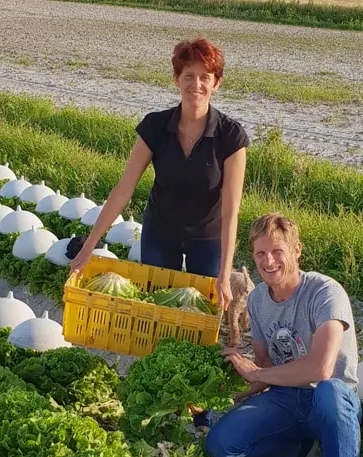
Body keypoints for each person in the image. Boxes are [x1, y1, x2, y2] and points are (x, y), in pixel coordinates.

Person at [67, 37, 249, 311]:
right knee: (158, 306)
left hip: (208, 236)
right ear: (177, 79)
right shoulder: (155, 126)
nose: (196, 85)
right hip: (161, 231)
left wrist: (225, 273)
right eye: (188, 75)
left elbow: (231, 210)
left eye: (205, 77)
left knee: (203, 309)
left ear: (216, 83)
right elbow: (124, 189)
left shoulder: (231, 137)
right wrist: (89, 246)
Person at [202, 213, 363, 457]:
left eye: (277, 251)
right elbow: (264, 364)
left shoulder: (325, 292)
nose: (268, 261)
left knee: (330, 392)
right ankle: (291, 454)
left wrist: (258, 374)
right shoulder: (257, 300)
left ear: (297, 250)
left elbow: (321, 368)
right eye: (260, 253)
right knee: (219, 444)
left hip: (330, 401)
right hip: (286, 396)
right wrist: (220, 395)